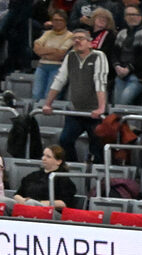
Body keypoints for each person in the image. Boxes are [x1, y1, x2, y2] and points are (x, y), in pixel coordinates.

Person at [42, 27, 109, 164]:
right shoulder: (70, 56)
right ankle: (75, 167)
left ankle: (96, 176)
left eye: (81, 38)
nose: (77, 41)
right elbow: (60, 80)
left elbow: (100, 81)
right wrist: (48, 103)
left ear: (90, 42)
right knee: (65, 140)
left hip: (94, 112)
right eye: (74, 38)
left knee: (96, 146)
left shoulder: (99, 56)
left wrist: (101, 108)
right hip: (76, 110)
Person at [111, 1, 142, 106]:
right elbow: (114, 54)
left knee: (123, 101)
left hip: (139, 76)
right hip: (121, 74)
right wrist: (117, 66)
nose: (131, 17)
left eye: (134, 14)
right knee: (116, 104)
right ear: (124, 18)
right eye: (128, 15)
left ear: (140, 17)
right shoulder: (122, 33)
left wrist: (129, 68)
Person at [12, 145, 77, 209]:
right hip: (26, 205)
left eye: (48, 156)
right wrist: (22, 200)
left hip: (50, 212)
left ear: (58, 161)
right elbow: (17, 194)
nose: (43, 158)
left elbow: (64, 203)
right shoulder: (32, 175)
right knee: (4, 201)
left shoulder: (63, 179)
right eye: (43, 155)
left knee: (31, 203)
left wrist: (38, 203)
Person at [31, 11, 72, 100]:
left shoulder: (70, 36)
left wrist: (44, 52)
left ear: (65, 22)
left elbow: (61, 54)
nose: (57, 22)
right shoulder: (47, 33)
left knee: (49, 96)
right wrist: (54, 50)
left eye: (60, 20)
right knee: (36, 94)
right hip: (42, 66)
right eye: (55, 20)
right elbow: (36, 49)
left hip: (58, 67)